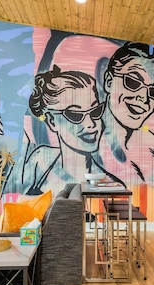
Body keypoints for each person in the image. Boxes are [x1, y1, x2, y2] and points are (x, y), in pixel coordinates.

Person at [16, 64, 114, 194]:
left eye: (96, 111)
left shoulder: (108, 183)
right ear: (52, 121)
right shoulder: (40, 159)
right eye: (75, 115)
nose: (90, 123)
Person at [98, 42, 154, 184]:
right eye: (133, 82)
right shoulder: (90, 140)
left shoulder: (150, 145)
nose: (144, 98)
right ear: (109, 82)